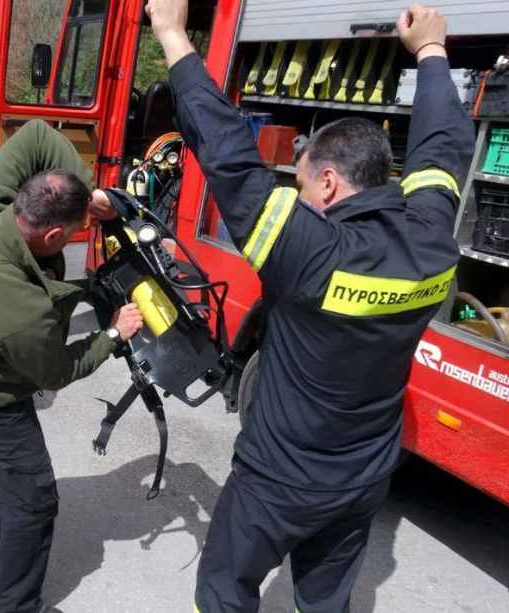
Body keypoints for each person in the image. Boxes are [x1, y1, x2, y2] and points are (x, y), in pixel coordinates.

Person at [144, 2, 475, 611]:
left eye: (299, 185)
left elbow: (226, 152)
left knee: (222, 591)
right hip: (363, 482)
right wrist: (432, 54)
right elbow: (445, 152)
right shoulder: (431, 241)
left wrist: (168, 30)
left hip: (277, 481)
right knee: (325, 603)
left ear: (327, 183)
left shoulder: (309, 251)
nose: (297, 198)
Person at [0, 119, 143, 613]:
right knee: (35, 499)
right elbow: (55, 374)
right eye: (71, 233)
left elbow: (37, 134)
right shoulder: (26, 310)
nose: (74, 238)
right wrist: (113, 334)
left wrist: (88, 195)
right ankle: (12, 606)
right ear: (50, 235)